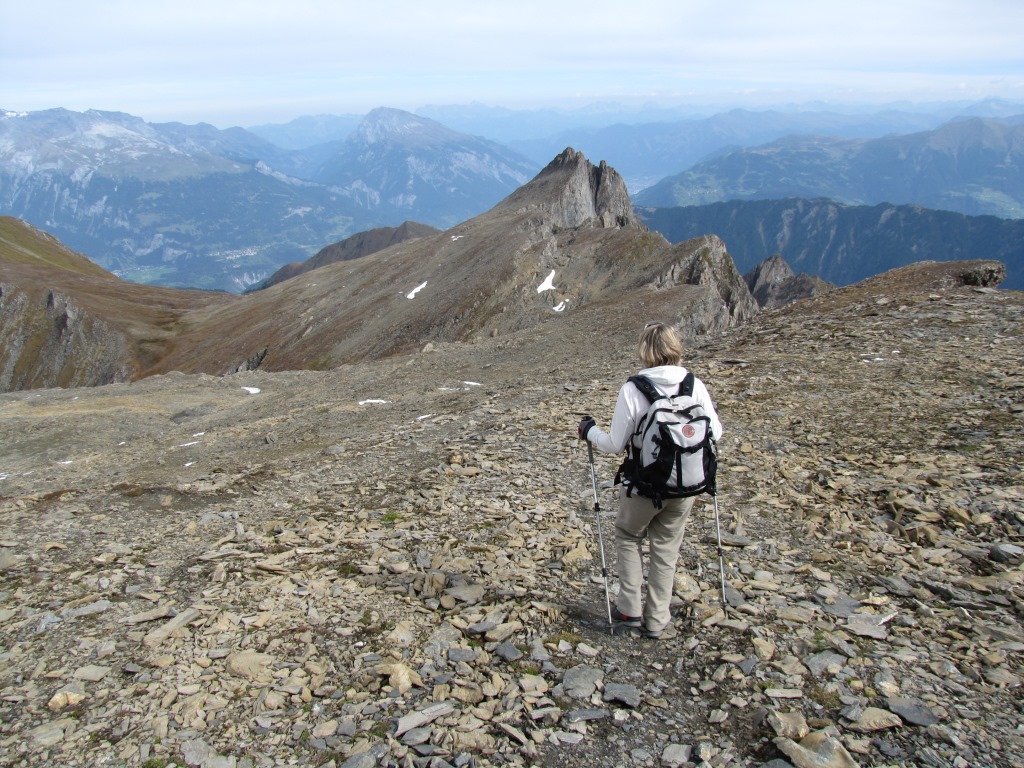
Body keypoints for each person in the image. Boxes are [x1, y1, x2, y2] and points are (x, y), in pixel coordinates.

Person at [577, 322, 723, 638]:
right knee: (666, 547)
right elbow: (716, 432)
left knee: (629, 535)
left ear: (644, 351)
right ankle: (657, 620)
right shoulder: (693, 384)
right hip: (687, 485)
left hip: (644, 484)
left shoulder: (634, 388)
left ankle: (629, 609)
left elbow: (616, 444)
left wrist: (589, 432)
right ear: (675, 347)